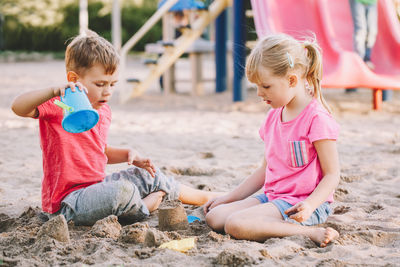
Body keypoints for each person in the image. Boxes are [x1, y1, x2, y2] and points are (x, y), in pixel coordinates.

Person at [11, 31, 220, 226]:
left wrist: (128, 154)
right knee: (121, 192)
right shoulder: (59, 105)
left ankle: (205, 198)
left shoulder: (103, 111)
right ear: (74, 79)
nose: (107, 91)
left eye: (112, 84)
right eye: (100, 84)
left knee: (146, 174)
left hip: (96, 189)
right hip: (67, 204)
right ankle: (145, 207)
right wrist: (53, 90)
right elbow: (18, 107)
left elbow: (98, 151)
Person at [204, 34, 340, 248]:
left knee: (236, 224)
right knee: (216, 216)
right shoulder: (273, 117)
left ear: (292, 80)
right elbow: (264, 171)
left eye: (266, 87)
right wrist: (228, 198)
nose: (259, 93)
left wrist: (310, 205)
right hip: (272, 197)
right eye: (256, 86)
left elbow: (332, 175)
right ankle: (265, 221)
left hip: (301, 203)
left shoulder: (316, 118)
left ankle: (311, 232)